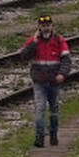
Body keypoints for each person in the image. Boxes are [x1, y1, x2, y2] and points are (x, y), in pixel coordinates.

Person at [18, 13, 72, 147]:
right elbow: (23, 56)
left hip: (54, 82)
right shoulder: (33, 41)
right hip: (39, 82)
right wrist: (34, 43)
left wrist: (62, 74)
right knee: (40, 110)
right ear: (39, 27)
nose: (46, 28)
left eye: (48, 25)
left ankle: (53, 135)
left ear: (52, 26)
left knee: (54, 110)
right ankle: (39, 138)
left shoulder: (59, 40)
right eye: (43, 26)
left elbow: (66, 60)